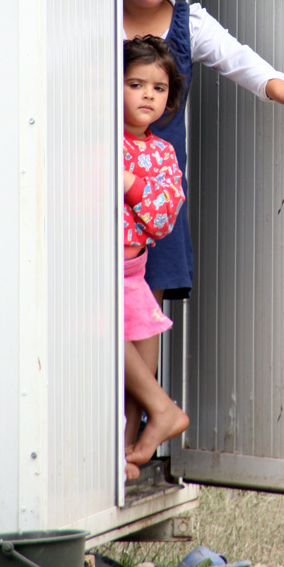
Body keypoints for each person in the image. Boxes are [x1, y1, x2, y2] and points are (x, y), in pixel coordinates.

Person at [123, 0, 284, 310]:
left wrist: (283, 91)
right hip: (101, 184)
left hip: (157, 193)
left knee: (147, 310)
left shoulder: (189, 24)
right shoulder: (92, 18)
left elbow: (239, 59)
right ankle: (144, 380)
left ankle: (148, 378)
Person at [123, 35, 190, 471]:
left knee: (135, 385)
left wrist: (128, 182)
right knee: (121, 357)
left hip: (135, 275)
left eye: (158, 88)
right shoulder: (96, 140)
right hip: (101, 274)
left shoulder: (162, 152)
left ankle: (127, 452)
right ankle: (165, 409)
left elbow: (163, 218)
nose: (148, 94)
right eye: (135, 84)